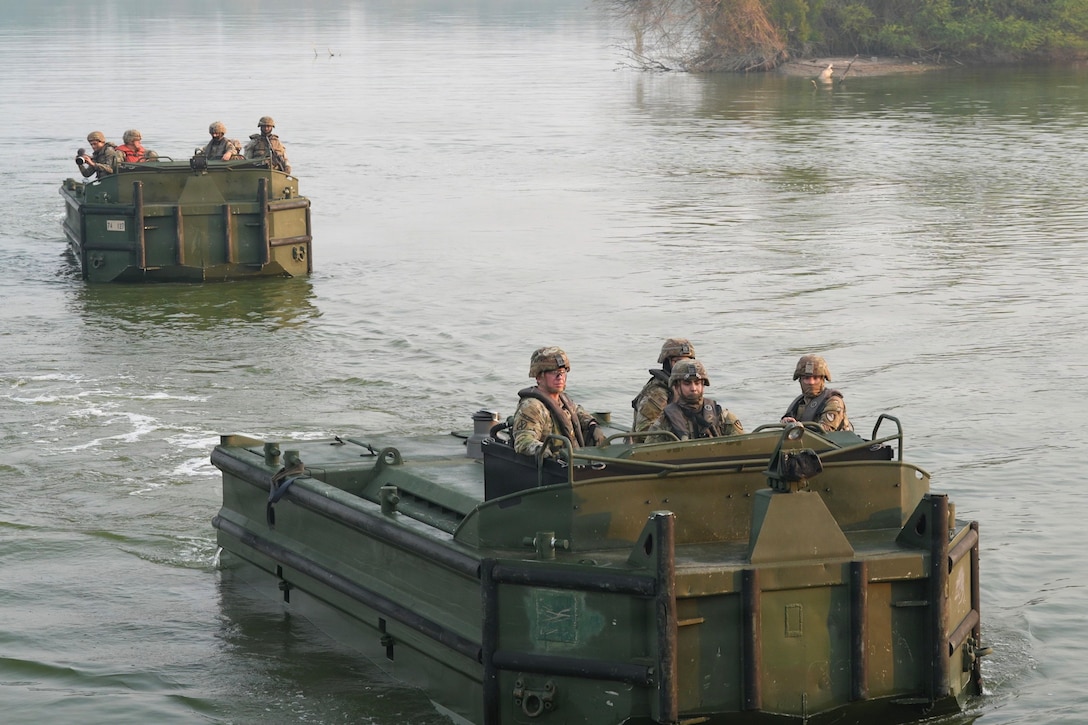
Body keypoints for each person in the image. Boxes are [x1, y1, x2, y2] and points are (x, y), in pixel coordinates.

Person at [512, 346, 607, 459]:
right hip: (554, 466)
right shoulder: (532, 407)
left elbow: (578, 412)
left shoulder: (563, 400)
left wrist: (592, 425)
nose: (560, 377)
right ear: (538, 377)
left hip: (573, 461)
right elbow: (523, 440)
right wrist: (540, 449)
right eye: (554, 373)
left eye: (562, 372)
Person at [647, 359, 743, 441]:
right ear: (676, 386)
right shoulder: (664, 422)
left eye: (697, 383)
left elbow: (743, 447)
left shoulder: (722, 417)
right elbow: (650, 455)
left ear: (703, 385)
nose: (693, 388)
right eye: (687, 383)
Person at [631, 337, 696, 433]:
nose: (683, 367)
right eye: (677, 362)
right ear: (667, 363)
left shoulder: (691, 388)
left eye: (687, 362)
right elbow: (644, 433)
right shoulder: (657, 393)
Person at [781, 354, 853, 432]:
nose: (811, 382)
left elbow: (827, 429)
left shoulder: (833, 401)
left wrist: (800, 427)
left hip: (834, 442)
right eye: (806, 378)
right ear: (800, 380)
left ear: (822, 379)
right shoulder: (799, 403)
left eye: (815, 378)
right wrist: (787, 422)